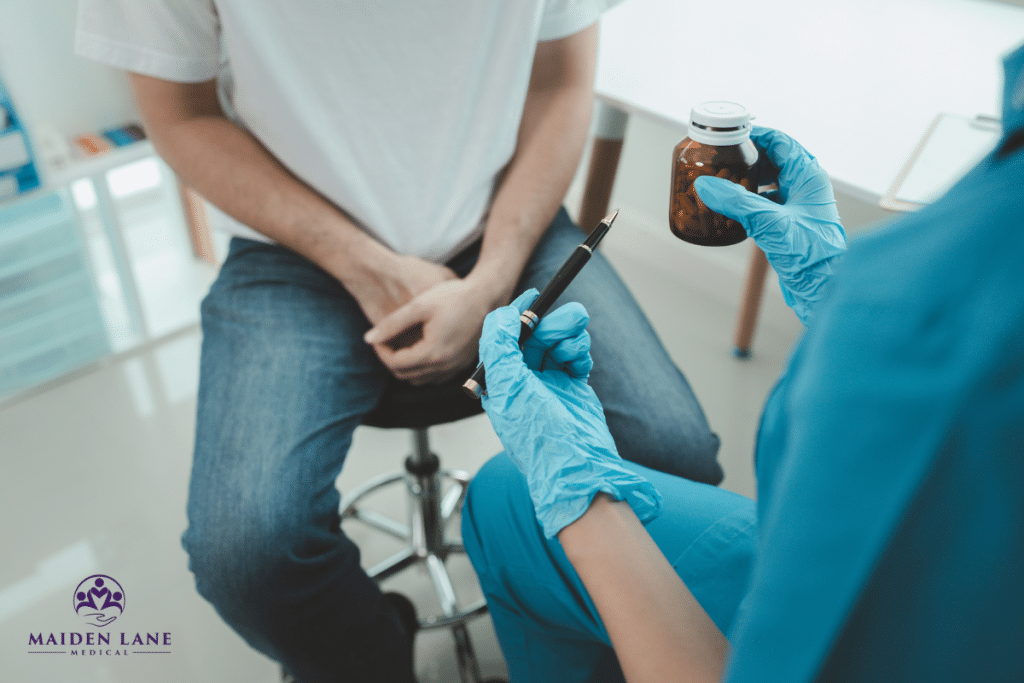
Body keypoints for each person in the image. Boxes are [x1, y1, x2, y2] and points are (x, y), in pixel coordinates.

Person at [74, 1, 727, 681]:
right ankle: (373, 655)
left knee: (675, 458)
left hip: (508, 219)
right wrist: (368, 266)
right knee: (247, 554)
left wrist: (490, 283)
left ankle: (580, 637)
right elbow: (182, 113)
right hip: (294, 247)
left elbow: (562, 81)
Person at [463, 43, 1024, 683]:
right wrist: (831, 288)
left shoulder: (933, 331)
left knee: (514, 497)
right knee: (505, 492)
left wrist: (580, 492)